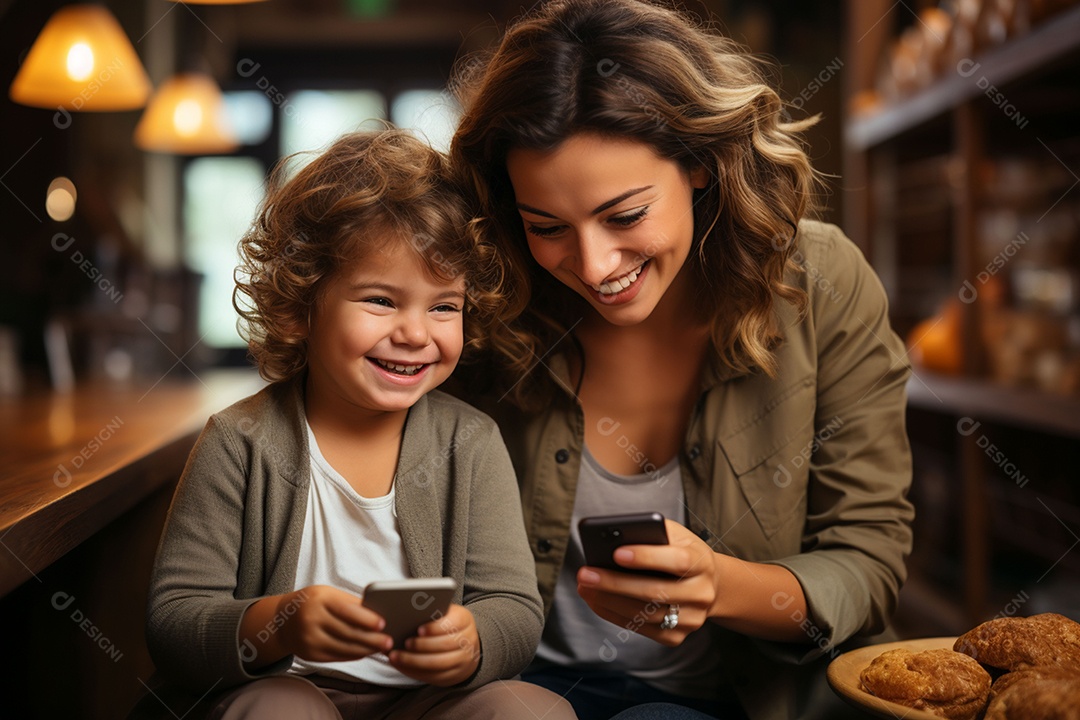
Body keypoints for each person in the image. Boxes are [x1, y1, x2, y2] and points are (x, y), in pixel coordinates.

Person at [449, 1, 915, 719]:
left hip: (735, 698)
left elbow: (868, 556)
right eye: (547, 227)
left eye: (625, 216)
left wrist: (719, 586)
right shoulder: (487, 296)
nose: (595, 265)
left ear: (701, 165)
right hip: (522, 692)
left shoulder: (820, 283)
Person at [139, 129, 577, 720]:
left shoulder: (469, 441)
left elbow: (514, 607)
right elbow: (174, 620)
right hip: (286, 690)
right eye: (380, 300)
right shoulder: (239, 440)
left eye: (443, 305)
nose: (416, 334)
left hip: (427, 702)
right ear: (298, 308)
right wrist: (280, 625)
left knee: (533, 712)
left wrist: (473, 641)